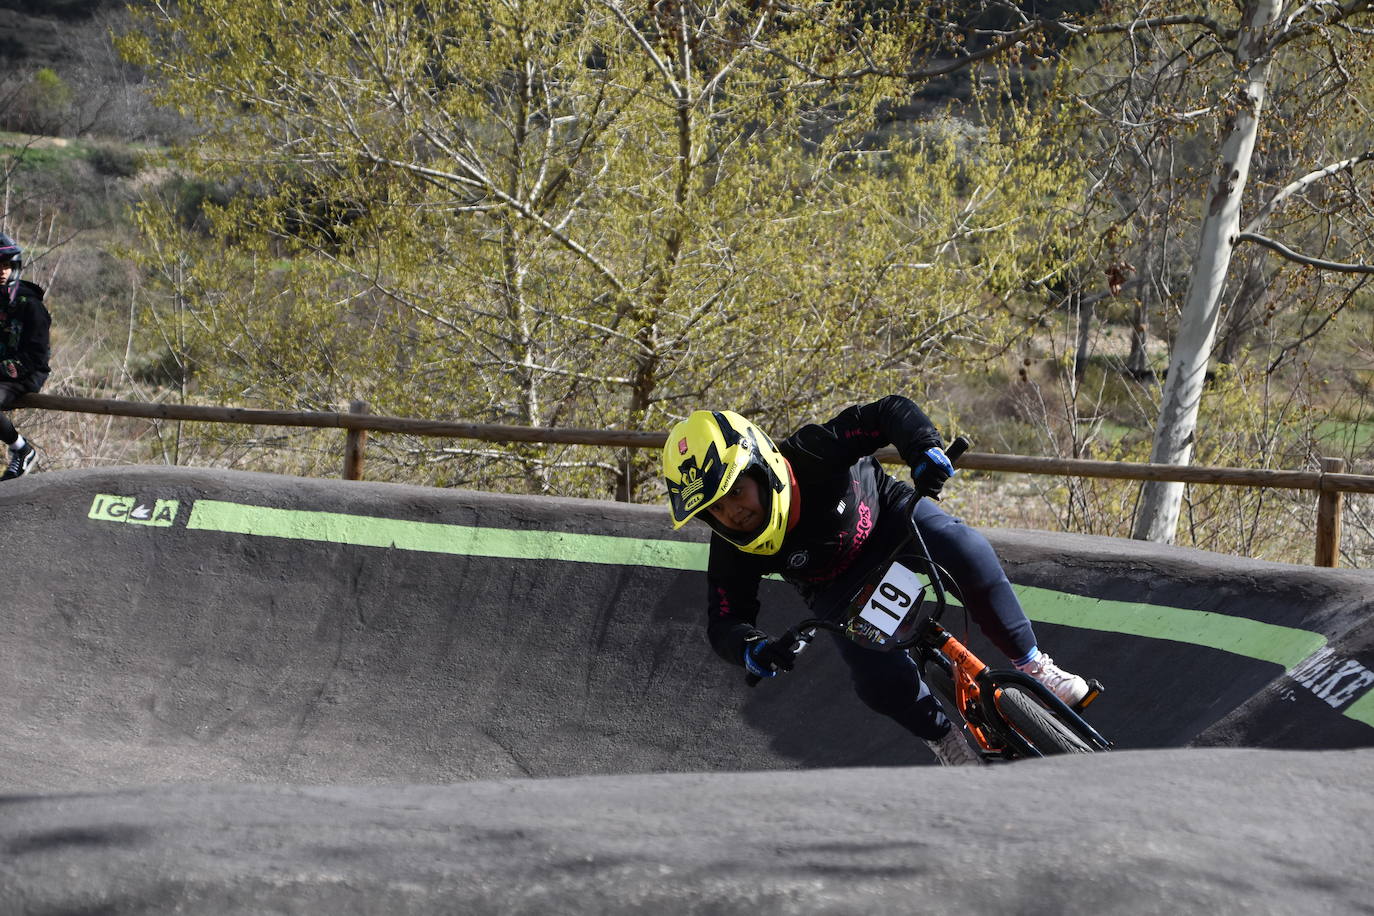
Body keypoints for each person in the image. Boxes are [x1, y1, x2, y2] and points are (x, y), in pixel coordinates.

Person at [661, 396, 1090, 766]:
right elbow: (724, 620)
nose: (732, 513)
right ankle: (945, 741)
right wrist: (751, 649)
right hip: (837, 589)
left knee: (965, 549)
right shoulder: (732, 547)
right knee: (876, 680)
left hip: (891, 521)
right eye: (714, 509)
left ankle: (1035, 667)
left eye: (735, 491)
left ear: (760, 465)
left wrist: (923, 448)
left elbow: (887, 413)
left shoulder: (811, 452)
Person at [0, 233, 50, 481]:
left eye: (6, 266)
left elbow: (38, 356)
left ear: (15, 267)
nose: (2, 271)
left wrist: (5, 369)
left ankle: (22, 450)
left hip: (25, 373)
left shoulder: (31, 305)